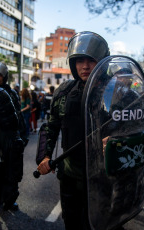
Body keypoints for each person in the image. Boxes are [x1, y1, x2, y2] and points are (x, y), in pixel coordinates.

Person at [36, 31, 110, 230]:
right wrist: (44, 156)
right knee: (72, 223)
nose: (85, 66)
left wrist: (116, 140)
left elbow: (134, 129)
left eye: (91, 60)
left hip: (104, 177)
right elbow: (51, 126)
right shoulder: (65, 92)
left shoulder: (116, 92)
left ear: (102, 62)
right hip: (70, 174)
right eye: (79, 61)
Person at [0, 61, 25, 211]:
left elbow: (18, 116)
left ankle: (10, 199)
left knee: (12, 171)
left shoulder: (12, 93)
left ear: (4, 77)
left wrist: (22, 136)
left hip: (9, 137)